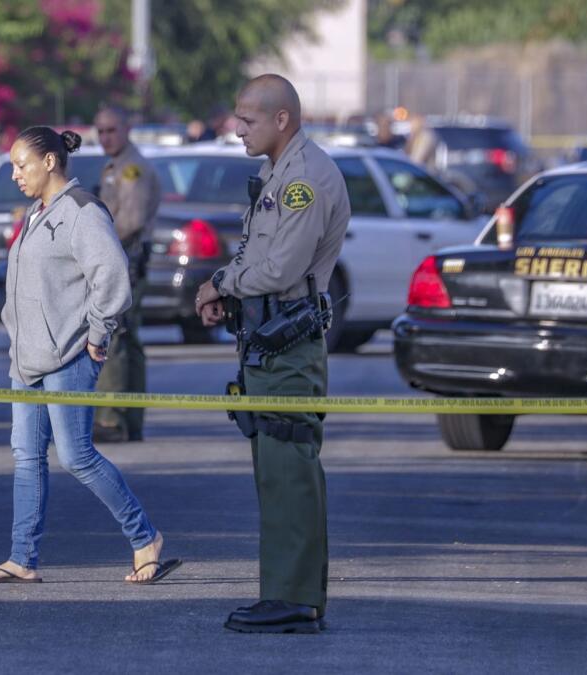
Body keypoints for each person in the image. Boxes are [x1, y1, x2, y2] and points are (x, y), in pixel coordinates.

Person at [0, 126, 181, 585]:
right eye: (12, 166)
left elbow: (112, 277)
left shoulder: (83, 212)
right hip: (26, 362)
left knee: (76, 456)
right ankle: (21, 557)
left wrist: (98, 335)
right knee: (26, 457)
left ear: (50, 162)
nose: (15, 175)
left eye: (21, 165)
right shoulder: (35, 214)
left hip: (68, 358)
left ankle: (145, 537)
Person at [194, 74, 350, 633]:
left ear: (282, 119)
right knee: (278, 471)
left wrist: (219, 283)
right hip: (267, 340)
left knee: (289, 468)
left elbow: (281, 269)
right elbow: (259, 257)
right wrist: (229, 290)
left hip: (288, 343)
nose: (237, 129)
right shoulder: (277, 174)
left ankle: (293, 598)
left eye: (248, 119)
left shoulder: (304, 179)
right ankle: (288, 592)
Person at [92, 105, 161, 443]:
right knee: (128, 340)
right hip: (123, 262)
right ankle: (129, 420)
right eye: (100, 131)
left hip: (125, 263)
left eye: (111, 130)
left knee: (114, 338)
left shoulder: (131, 168)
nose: (105, 137)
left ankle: (111, 419)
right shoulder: (116, 166)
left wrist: (94, 247)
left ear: (127, 128)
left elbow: (129, 221)